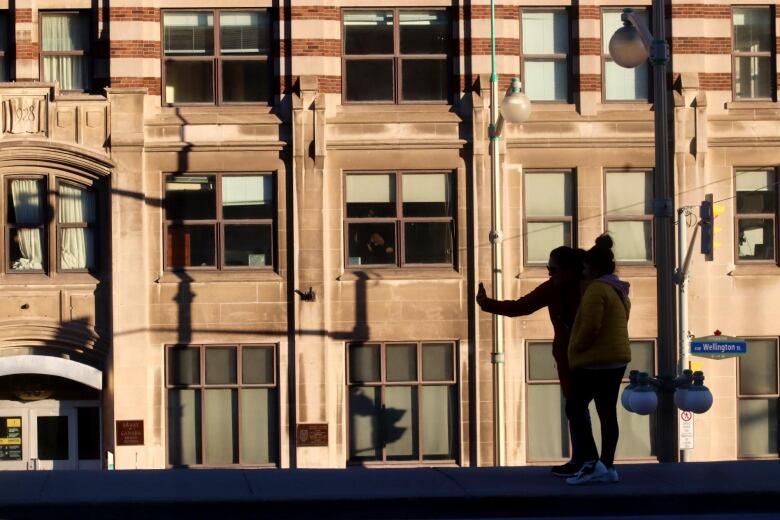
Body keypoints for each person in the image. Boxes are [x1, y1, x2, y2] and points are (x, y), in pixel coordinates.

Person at [476, 246, 587, 477]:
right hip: (570, 356)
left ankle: (589, 460)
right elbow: (522, 306)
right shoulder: (555, 288)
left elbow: (522, 306)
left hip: (586, 355)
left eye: (552, 269)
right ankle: (586, 459)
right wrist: (488, 304)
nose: (549, 274)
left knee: (582, 408)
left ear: (568, 270)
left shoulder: (587, 288)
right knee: (578, 408)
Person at [564, 234, 631, 485]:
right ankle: (607, 465)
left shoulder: (596, 290)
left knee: (574, 406)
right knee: (606, 412)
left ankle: (591, 462)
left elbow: (590, 327)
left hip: (594, 361)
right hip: (615, 360)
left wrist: (576, 347)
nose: (582, 270)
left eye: (584, 266)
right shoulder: (617, 289)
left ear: (594, 267)